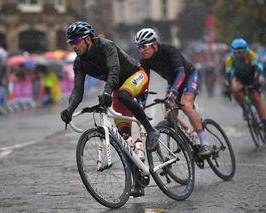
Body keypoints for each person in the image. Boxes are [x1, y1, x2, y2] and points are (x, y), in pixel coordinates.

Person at [60, 21, 159, 197]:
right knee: (123, 138)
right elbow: (77, 90)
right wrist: (69, 109)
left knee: (123, 94)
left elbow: (114, 70)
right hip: (117, 87)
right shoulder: (79, 62)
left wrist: (106, 92)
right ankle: (139, 181)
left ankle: (151, 131)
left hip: (136, 75)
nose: (73, 46)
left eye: (76, 42)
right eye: (71, 43)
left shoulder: (106, 46)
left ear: (88, 39)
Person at [134, 28, 211, 156]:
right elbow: (144, 84)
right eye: (138, 47)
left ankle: (205, 143)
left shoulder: (169, 50)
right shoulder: (145, 61)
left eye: (143, 47)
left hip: (188, 76)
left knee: (186, 105)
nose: (141, 51)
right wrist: (141, 103)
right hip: (173, 83)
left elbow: (181, 72)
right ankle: (187, 131)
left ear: (154, 44)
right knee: (169, 115)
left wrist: (174, 90)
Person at [225, 38, 266, 127]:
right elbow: (228, 74)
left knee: (256, 98)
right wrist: (228, 87)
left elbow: (256, 69)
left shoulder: (251, 54)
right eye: (234, 52)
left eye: (239, 52)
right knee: (235, 90)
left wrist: (256, 80)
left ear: (245, 50)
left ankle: (264, 121)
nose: (237, 55)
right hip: (240, 78)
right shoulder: (230, 59)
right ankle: (244, 108)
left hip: (252, 77)